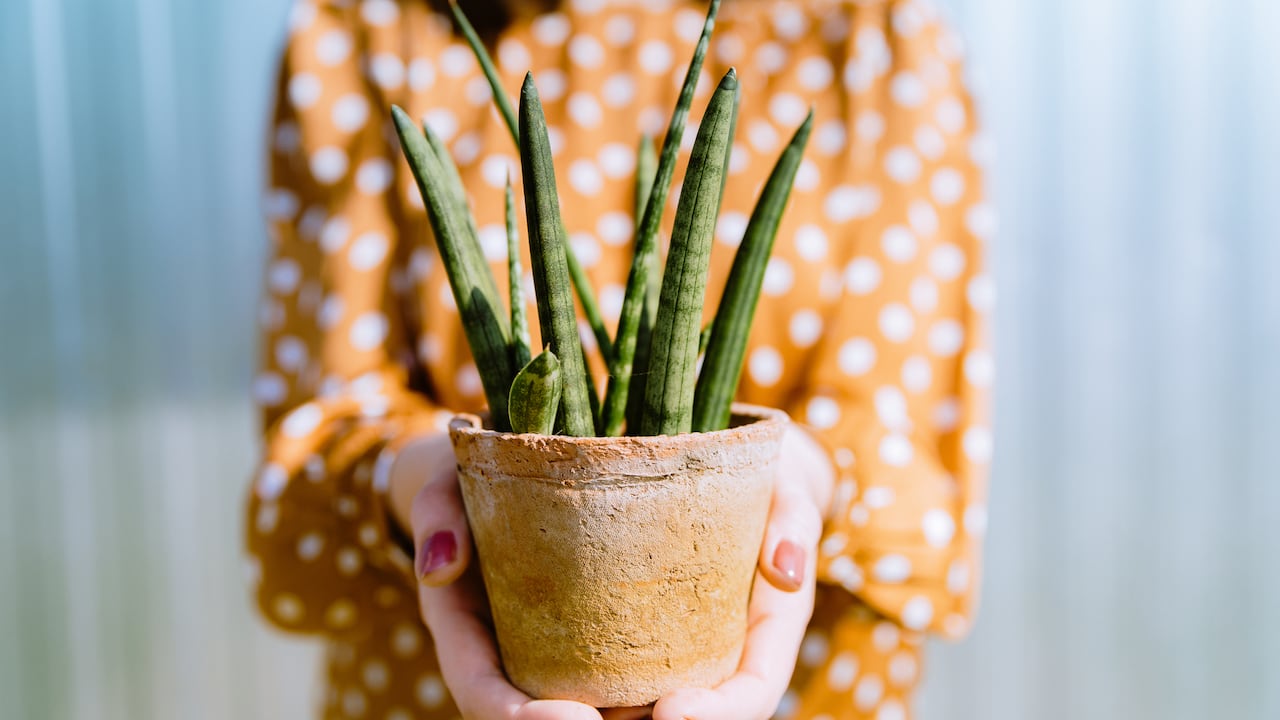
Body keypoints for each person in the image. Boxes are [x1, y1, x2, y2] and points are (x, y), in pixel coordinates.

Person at [246, 0, 993, 717]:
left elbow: (913, 462)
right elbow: (319, 435)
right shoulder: (374, 24)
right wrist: (427, 484)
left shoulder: (873, 33)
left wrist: (804, 480)